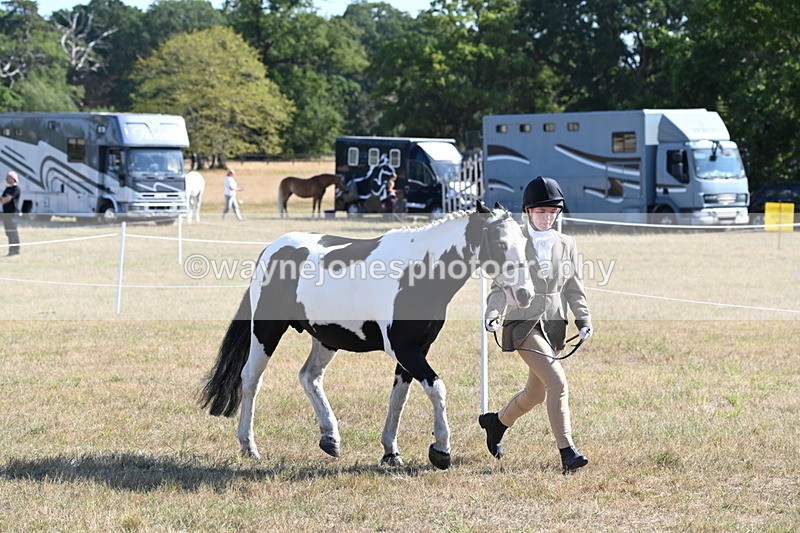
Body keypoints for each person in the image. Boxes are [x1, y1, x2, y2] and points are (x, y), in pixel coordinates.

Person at [480, 175, 593, 473]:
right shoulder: (515, 239)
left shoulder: (567, 243)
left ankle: (497, 422)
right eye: (541, 212)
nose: (547, 217)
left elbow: (573, 287)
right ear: (528, 211)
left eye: (553, 212)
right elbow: (499, 284)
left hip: (553, 325)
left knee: (536, 393)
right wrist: (493, 311)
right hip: (522, 323)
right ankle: (567, 451)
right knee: (557, 381)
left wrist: (583, 319)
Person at [1, 170, 21, 256]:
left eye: (8, 177)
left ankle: (16, 251)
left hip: (13, 214)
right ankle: (11, 251)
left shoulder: (16, 189)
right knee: (8, 232)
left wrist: (3, 199)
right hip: (6, 214)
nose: (6, 178)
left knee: (13, 232)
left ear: (13, 179)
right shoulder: (7, 188)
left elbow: (6, 199)